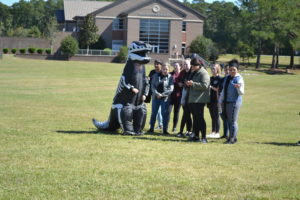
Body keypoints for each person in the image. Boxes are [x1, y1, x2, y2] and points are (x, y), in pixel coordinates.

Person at [219, 59, 245, 144]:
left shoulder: (239, 78)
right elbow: (223, 90)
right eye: (230, 70)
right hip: (226, 101)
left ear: (237, 70)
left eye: (234, 69)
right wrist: (220, 101)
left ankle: (232, 139)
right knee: (229, 120)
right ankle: (232, 137)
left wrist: (238, 87)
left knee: (233, 121)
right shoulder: (227, 78)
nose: (232, 71)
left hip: (235, 102)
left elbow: (241, 92)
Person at [186, 58, 210, 143]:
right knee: (195, 119)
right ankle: (196, 136)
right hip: (192, 99)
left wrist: (193, 84)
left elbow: (205, 85)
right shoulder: (194, 72)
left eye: (193, 66)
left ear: (198, 65)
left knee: (200, 119)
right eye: (191, 65)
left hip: (199, 100)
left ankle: (204, 137)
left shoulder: (204, 73)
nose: (191, 67)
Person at [148, 62, 174, 135]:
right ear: (161, 69)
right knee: (154, 114)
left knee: (164, 114)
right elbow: (152, 86)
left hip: (165, 99)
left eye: (166, 69)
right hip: (155, 98)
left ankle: (165, 130)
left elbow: (171, 89)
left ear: (169, 70)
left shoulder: (171, 77)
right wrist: (157, 94)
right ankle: (151, 129)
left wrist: (162, 94)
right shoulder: (155, 76)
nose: (165, 70)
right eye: (163, 69)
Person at [176, 58, 192, 137]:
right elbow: (177, 79)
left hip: (190, 96)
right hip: (183, 95)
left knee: (186, 114)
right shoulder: (182, 72)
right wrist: (180, 83)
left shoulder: (192, 72)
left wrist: (187, 84)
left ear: (190, 64)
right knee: (187, 114)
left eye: (187, 64)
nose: (185, 66)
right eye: (184, 64)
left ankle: (182, 131)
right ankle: (189, 131)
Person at [145, 59, 163, 130]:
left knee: (158, 110)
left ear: (161, 65)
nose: (156, 65)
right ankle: (160, 124)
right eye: (155, 64)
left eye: (157, 64)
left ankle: (160, 124)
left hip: (162, 94)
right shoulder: (152, 72)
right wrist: (148, 78)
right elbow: (149, 80)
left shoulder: (163, 72)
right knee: (157, 109)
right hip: (154, 93)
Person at [207, 64, 222, 139]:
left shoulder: (219, 79)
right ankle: (213, 132)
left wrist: (211, 87)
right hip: (210, 100)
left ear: (217, 70)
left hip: (216, 100)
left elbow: (218, 89)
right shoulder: (210, 78)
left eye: (214, 69)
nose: (212, 70)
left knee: (216, 116)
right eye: (212, 69)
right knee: (212, 116)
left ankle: (217, 132)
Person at [169, 62, 183, 132]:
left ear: (180, 66)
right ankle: (165, 126)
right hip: (171, 96)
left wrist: (176, 84)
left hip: (179, 97)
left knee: (176, 112)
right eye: (174, 66)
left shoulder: (182, 75)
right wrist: (177, 83)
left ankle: (174, 127)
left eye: (176, 66)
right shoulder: (171, 74)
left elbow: (182, 84)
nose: (175, 67)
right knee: (168, 111)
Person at [219, 65, 230, 139]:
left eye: (229, 70)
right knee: (223, 117)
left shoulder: (232, 79)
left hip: (229, 101)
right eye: (226, 70)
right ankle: (225, 134)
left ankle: (230, 134)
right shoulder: (222, 79)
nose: (227, 71)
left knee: (229, 118)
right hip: (221, 100)